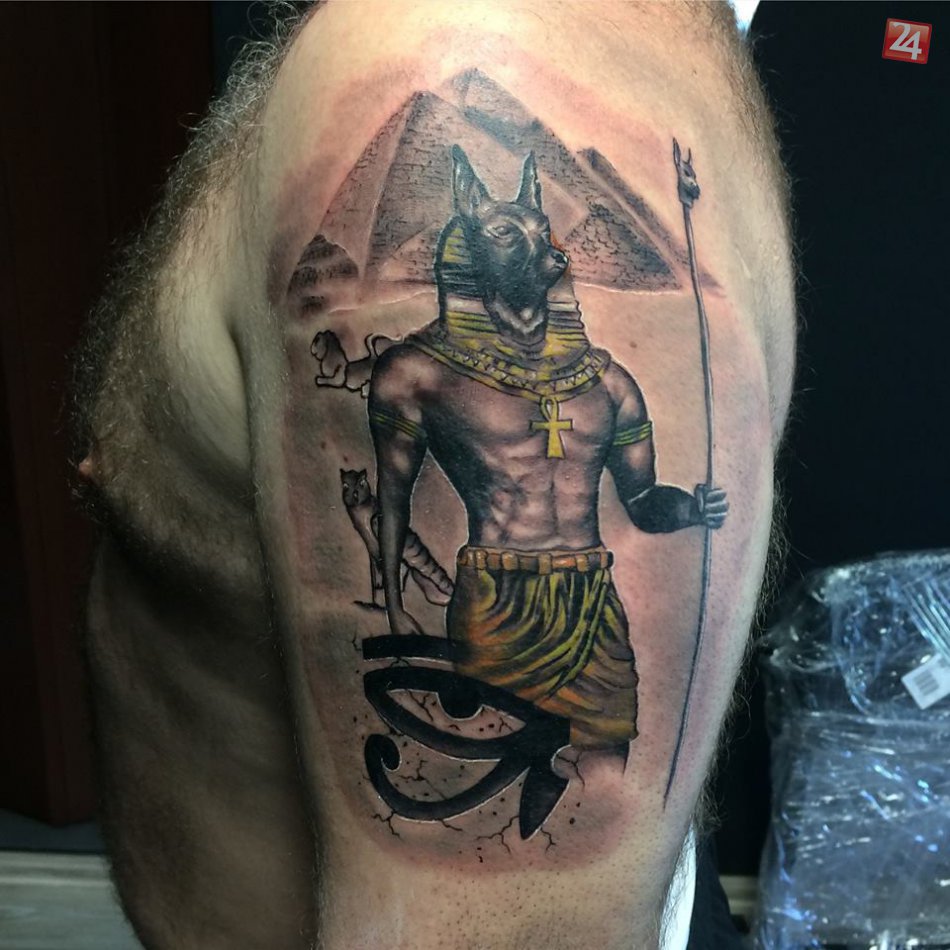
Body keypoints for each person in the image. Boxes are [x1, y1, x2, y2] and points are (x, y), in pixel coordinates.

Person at [73, 3, 795, 947]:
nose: (539, 251)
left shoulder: (478, 38)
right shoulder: (424, 373)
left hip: (588, 615)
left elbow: (511, 932)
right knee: (514, 778)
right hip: (501, 602)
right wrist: (386, 582)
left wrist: (684, 507)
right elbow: (392, 499)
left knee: (570, 790)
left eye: (538, 238)